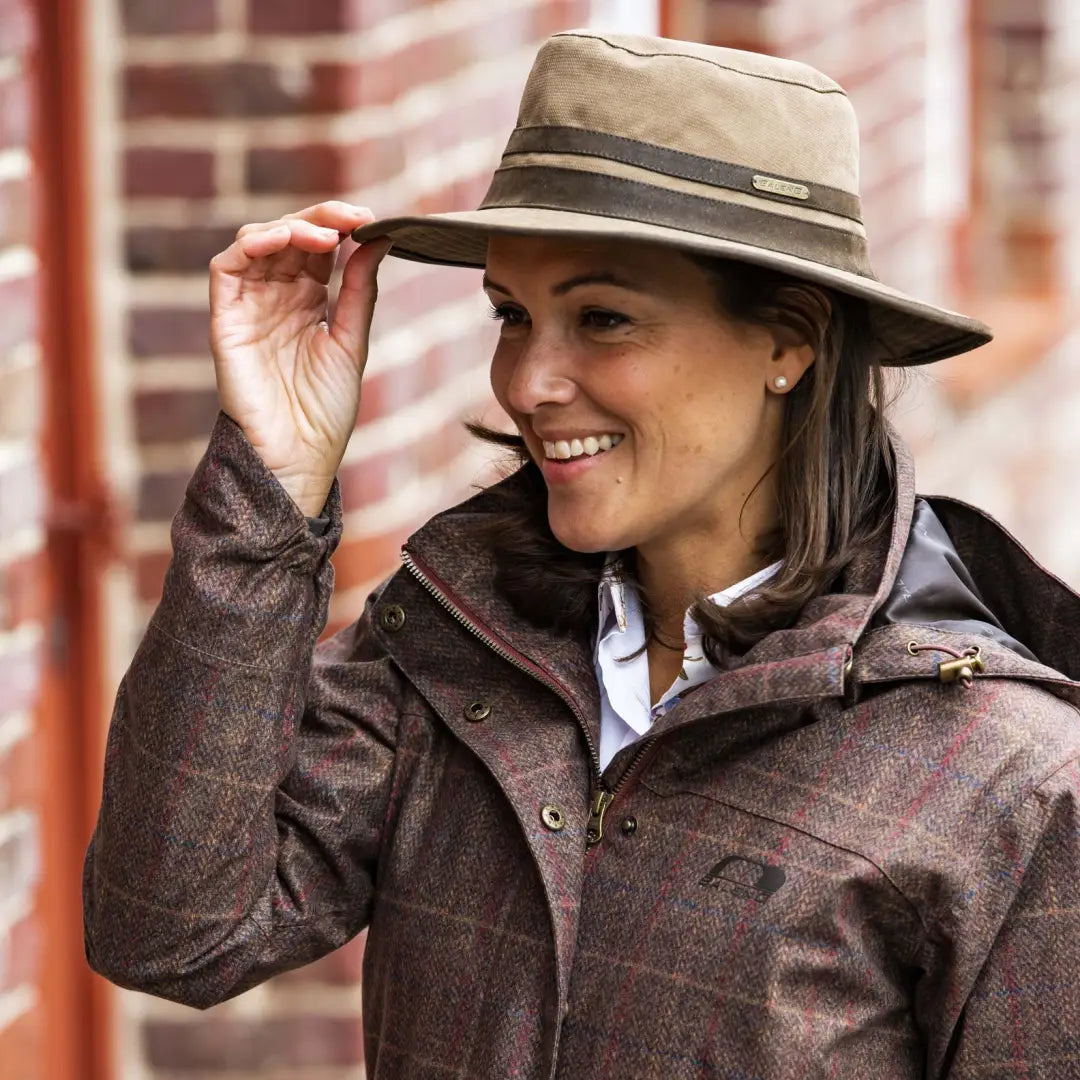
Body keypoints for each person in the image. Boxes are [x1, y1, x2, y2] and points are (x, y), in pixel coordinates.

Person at [83, 29, 1080, 1080]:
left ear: (790, 339)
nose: (527, 383)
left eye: (603, 319)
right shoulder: (455, 646)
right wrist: (272, 491)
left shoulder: (1006, 779)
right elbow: (172, 929)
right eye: (513, 315)